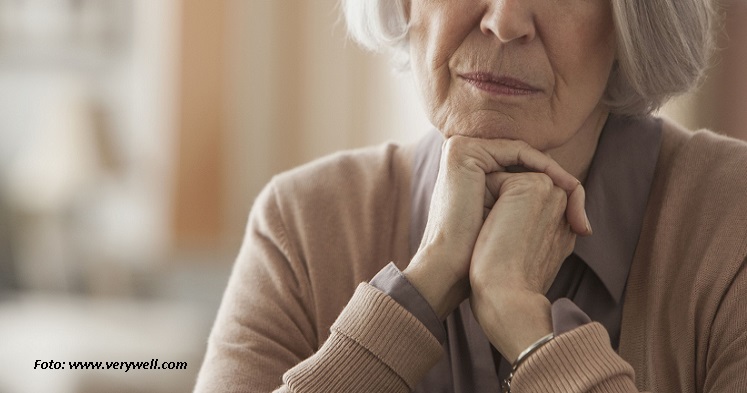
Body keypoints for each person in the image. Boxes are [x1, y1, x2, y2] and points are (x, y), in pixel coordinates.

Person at [194, 0, 747, 391]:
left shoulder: (731, 222)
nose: (505, 20)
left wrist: (529, 331)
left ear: (633, 19)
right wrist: (418, 291)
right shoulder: (302, 224)